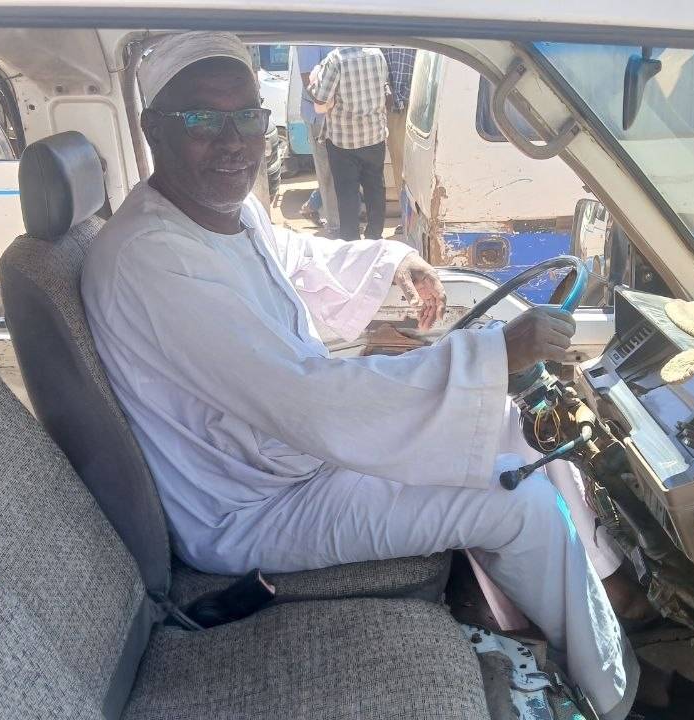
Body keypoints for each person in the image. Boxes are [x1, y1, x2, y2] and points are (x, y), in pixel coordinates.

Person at [82, 32, 637, 719]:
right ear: (153, 129)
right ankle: (615, 693)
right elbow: (308, 400)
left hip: (288, 460)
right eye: (202, 119)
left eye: (248, 117)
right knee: (521, 506)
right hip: (254, 507)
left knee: (506, 424)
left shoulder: (222, 211)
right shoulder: (151, 259)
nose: (233, 141)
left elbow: (291, 256)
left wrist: (392, 260)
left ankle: (602, 595)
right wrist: (495, 355)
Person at [308, 46, 388, 241]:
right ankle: (375, 237)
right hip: (375, 136)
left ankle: (352, 243)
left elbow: (320, 98)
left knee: (347, 195)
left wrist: (314, 77)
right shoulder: (377, 53)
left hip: (344, 140)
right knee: (375, 189)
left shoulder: (335, 59)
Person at [293, 45, 339, 232]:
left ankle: (313, 206)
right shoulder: (309, 40)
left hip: (339, 116)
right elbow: (309, 81)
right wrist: (329, 104)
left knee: (341, 169)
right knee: (327, 170)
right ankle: (335, 225)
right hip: (320, 117)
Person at [381, 47, 416, 205]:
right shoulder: (386, 38)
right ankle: (406, 211)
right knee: (400, 164)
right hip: (396, 108)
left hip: (419, 104)